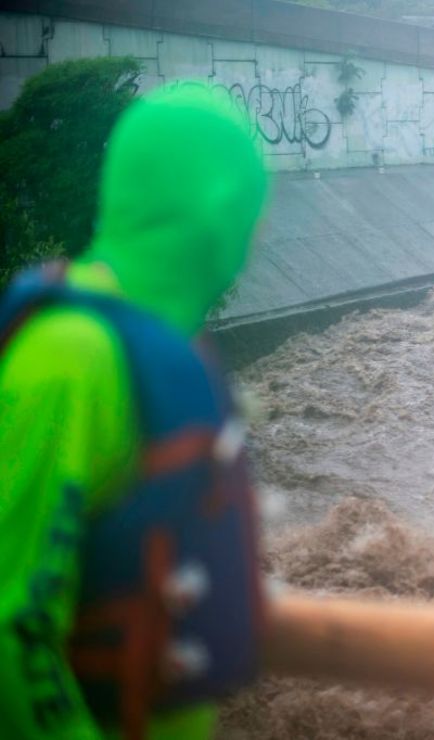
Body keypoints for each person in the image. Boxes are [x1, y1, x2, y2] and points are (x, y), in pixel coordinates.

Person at [0, 84, 269, 739]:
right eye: (251, 208)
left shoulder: (166, 346)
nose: (256, 233)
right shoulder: (71, 357)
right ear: (216, 211)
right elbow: (13, 626)